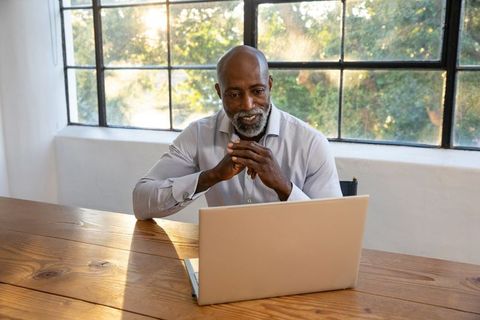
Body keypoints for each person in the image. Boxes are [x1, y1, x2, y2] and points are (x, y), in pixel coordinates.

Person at [133, 45, 342, 220]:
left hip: (293, 257)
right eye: (234, 94)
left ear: (269, 85)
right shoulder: (199, 134)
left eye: (257, 91)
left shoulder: (311, 143)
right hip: (223, 256)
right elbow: (141, 204)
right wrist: (211, 176)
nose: (248, 104)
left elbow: (333, 229)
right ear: (218, 92)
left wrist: (284, 186)